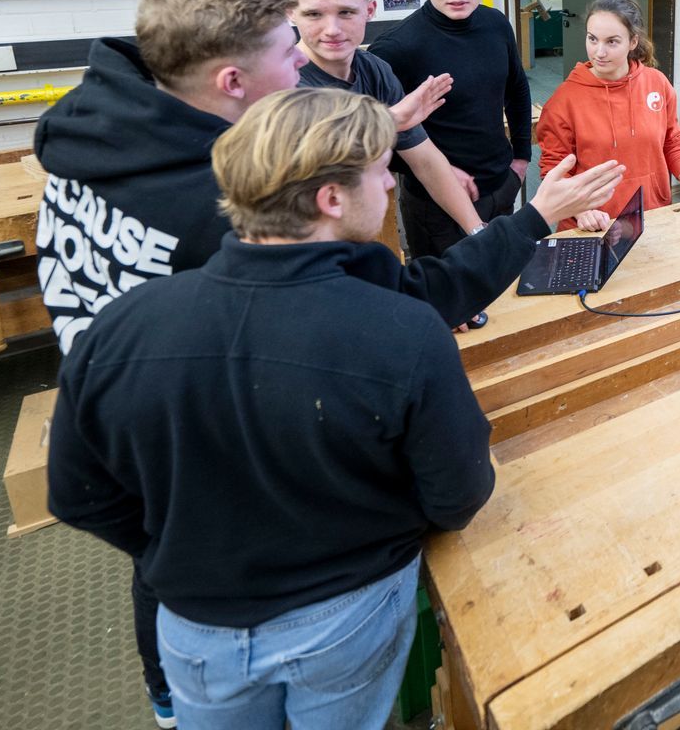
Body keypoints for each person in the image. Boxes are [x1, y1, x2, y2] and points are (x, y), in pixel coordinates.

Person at [33, 0, 621, 728]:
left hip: (175, 511)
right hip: (287, 527)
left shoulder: (106, 136)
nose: (307, 54)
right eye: (292, 45)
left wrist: (182, 551)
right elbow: (417, 358)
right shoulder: (209, 210)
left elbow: (79, 492)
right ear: (234, 82)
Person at [49, 89, 494, 730]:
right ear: (331, 198)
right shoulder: (404, 331)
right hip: (348, 614)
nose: (389, 185)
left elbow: (77, 495)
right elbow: (458, 495)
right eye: (380, 171)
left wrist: (184, 551)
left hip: (196, 624)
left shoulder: (121, 326)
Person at [286, 0, 486, 238]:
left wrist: (478, 231)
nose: (332, 30)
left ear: (369, 10)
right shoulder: (281, 81)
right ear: (291, 13)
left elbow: (425, 161)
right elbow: (304, 166)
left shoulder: (374, 70)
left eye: (346, 12)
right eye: (314, 14)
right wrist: (388, 120)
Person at [371, 0, 534, 257]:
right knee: (447, 288)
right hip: (436, 207)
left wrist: (521, 159)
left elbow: (517, 89)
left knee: (505, 278)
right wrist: (441, 175)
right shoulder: (395, 49)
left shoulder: (496, 24)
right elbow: (378, 137)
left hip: (500, 186)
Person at [535, 0, 680, 232]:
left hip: (652, 217)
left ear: (633, 42)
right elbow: (554, 170)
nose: (599, 52)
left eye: (612, 42)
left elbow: (672, 143)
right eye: (592, 39)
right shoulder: (564, 100)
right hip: (594, 226)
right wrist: (582, 212)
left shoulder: (657, 83)